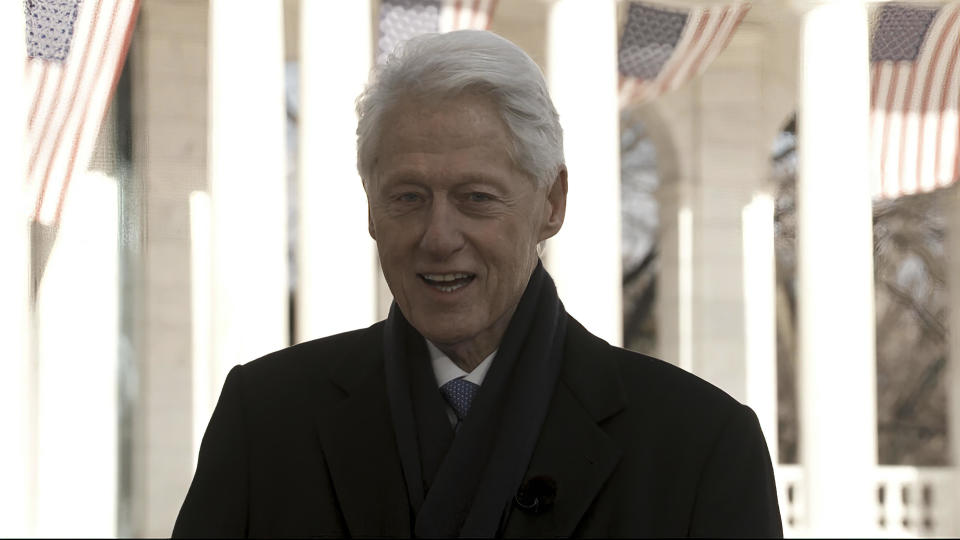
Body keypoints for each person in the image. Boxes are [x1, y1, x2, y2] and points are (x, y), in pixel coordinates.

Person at [172, 30, 782, 538]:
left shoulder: (701, 448)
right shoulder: (265, 423)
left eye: (476, 198)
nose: (438, 236)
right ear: (369, 209)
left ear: (552, 202)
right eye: (408, 197)